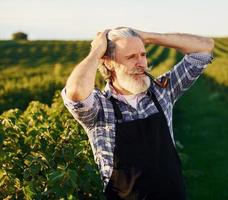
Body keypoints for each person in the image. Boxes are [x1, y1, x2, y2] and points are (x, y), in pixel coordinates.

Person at [61, 27, 214, 200]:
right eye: (131, 57)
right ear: (109, 62)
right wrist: (97, 50)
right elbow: (75, 91)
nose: (141, 63)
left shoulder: (162, 91)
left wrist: (149, 37)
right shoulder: (100, 109)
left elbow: (205, 48)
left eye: (143, 54)